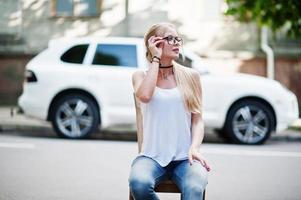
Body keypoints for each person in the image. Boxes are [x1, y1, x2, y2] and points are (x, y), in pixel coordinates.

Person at [128, 22, 211, 200]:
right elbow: (145, 96)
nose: (176, 43)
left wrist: (195, 148)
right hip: (150, 157)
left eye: (177, 39)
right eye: (169, 38)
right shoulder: (140, 76)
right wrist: (156, 59)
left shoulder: (191, 76)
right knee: (139, 184)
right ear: (154, 43)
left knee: (195, 187)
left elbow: (198, 120)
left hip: (185, 159)